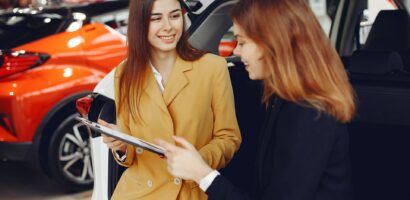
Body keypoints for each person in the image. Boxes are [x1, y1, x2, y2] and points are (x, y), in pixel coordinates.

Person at [156, 0, 356, 199]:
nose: (235, 51)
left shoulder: (308, 113)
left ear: (274, 44)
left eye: (242, 42)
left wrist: (201, 174)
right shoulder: (285, 99)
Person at [99, 0, 241, 199]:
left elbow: (229, 137)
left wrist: (197, 162)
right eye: (156, 18)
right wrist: (121, 146)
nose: (168, 26)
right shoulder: (124, 73)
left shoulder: (212, 67)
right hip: (136, 193)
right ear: (140, 24)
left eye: (174, 16)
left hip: (189, 191)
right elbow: (130, 155)